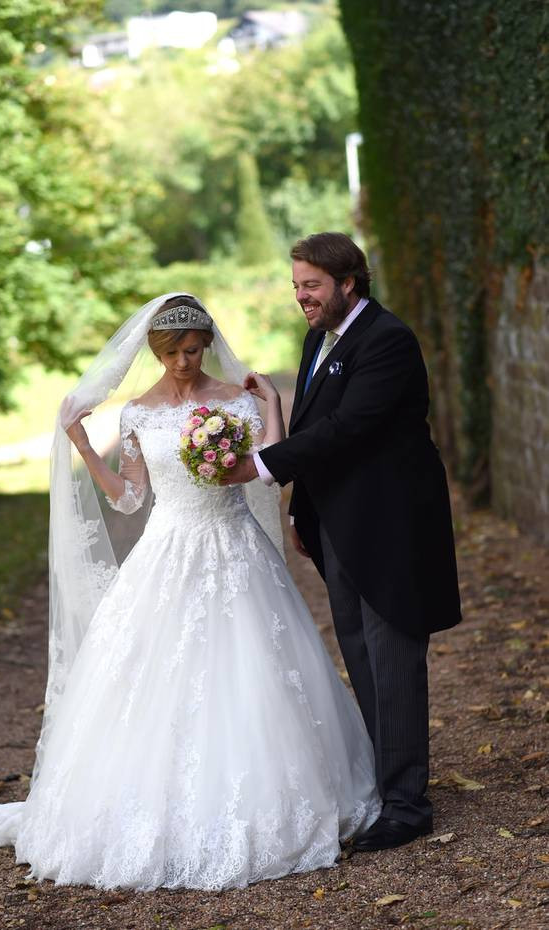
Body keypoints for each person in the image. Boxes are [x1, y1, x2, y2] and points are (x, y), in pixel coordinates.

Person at [0, 293, 381, 890]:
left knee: (257, 667)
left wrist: (270, 407)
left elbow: (271, 466)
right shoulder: (136, 414)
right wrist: (84, 445)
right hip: (167, 549)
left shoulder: (235, 400)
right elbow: (130, 496)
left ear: (207, 344)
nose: (184, 361)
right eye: (172, 353)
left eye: (193, 349)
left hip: (236, 548)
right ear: (156, 352)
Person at [224, 234, 462, 852]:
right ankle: (387, 786)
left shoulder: (388, 341)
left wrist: (262, 466)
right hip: (339, 524)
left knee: (394, 659)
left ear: (348, 283)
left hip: (390, 524)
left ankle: (409, 806)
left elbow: (348, 428)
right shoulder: (317, 337)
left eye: (312, 285)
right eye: (297, 284)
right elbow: (312, 425)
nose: (300, 296)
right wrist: (303, 510)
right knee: (359, 652)